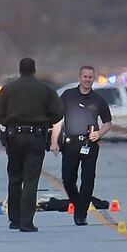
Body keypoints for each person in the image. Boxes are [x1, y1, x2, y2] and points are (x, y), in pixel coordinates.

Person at [0, 58, 64, 232]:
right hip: (36, 137)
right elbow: (59, 112)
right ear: (34, 70)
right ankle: (26, 222)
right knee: (31, 179)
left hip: (14, 136)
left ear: (20, 70)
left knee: (15, 177)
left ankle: (14, 219)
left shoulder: (8, 89)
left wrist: (9, 121)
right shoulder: (45, 89)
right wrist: (45, 120)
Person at [50, 66, 112, 226]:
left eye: (90, 77)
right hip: (70, 144)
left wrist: (99, 134)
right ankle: (79, 204)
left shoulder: (98, 99)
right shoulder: (68, 96)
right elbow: (58, 120)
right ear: (80, 77)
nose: (87, 80)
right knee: (68, 179)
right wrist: (54, 141)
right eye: (85, 76)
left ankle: (81, 214)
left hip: (90, 144)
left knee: (88, 179)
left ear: (93, 78)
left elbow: (107, 123)